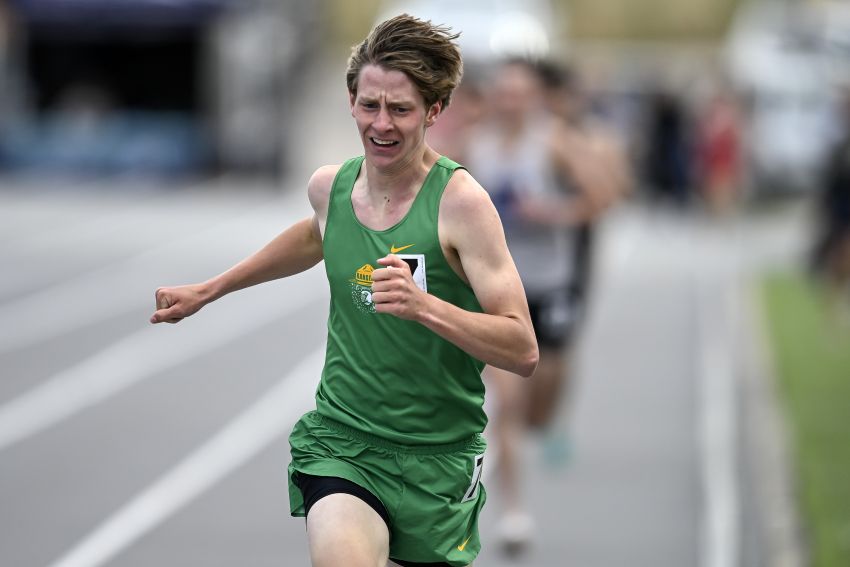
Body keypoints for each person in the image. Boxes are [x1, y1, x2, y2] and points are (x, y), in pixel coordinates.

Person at [149, 14, 538, 567]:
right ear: (351, 101)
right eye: (369, 105)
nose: (382, 124)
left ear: (433, 111)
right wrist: (211, 290)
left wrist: (425, 307)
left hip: (437, 457)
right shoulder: (330, 188)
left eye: (401, 109)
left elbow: (521, 348)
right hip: (344, 440)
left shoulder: (462, 205)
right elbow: (315, 234)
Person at [466, 58, 626, 555]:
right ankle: (514, 515)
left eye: (520, 92)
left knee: (542, 397)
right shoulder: (475, 143)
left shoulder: (555, 140)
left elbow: (604, 196)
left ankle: (537, 430)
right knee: (506, 406)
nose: (510, 100)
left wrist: (552, 212)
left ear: (534, 97)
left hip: (552, 284)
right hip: (498, 291)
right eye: (503, 91)